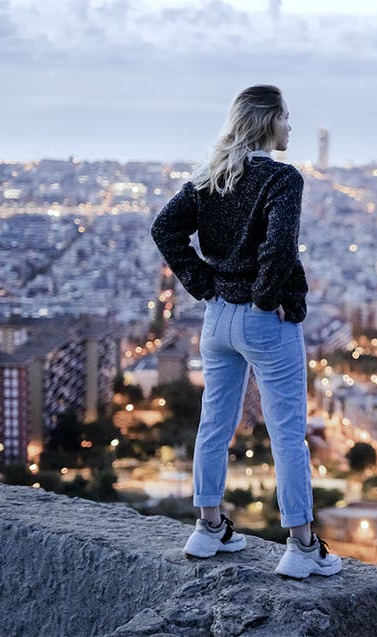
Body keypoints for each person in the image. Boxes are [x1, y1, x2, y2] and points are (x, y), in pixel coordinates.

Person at [150, 85, 341, 578]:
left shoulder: (211, 176)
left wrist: (203, 283)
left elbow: (164, 229)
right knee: (286, 434)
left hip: (217, 318)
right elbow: (279, 248)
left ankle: (208, 527)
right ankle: (301, 547)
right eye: (286, 118)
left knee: (215, 422)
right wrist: (264, 298)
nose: (291, 127)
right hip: (264, 320)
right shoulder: (282, 178)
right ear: (267, 122)